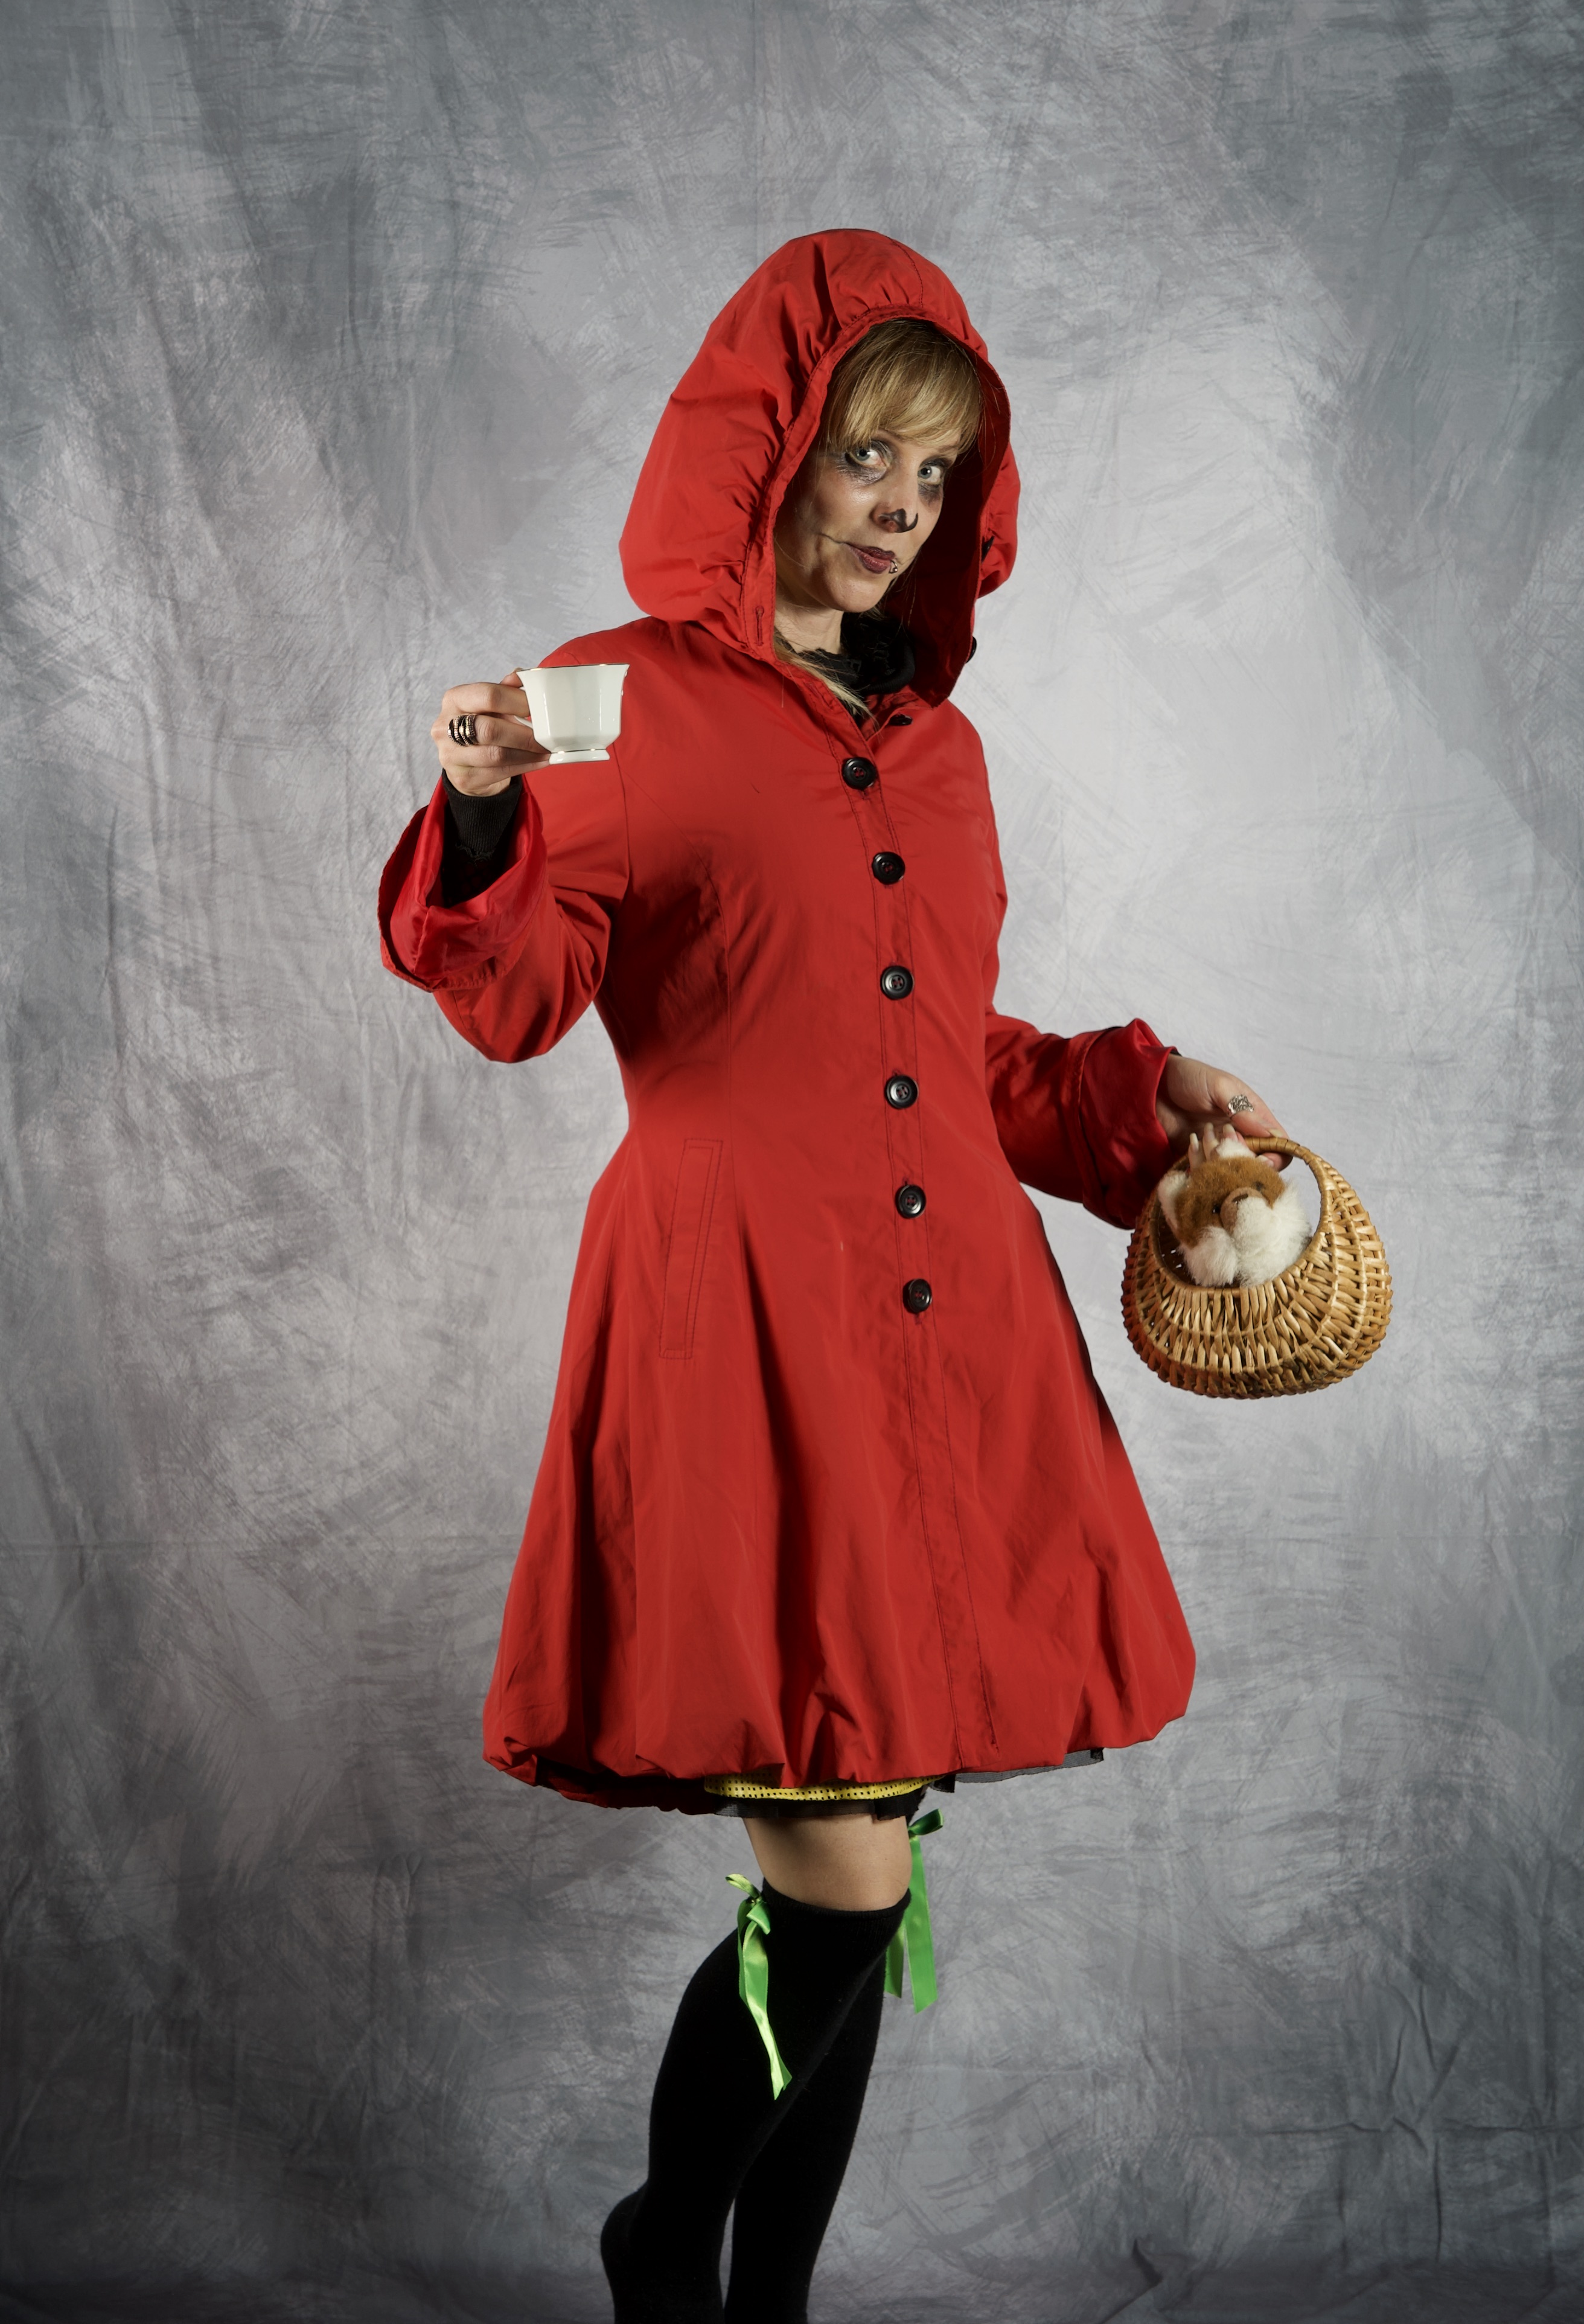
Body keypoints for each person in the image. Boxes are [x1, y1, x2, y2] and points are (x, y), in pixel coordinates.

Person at [378, 229, 1283, 2324]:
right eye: (867, 453)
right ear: (765, 449)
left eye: (937, 474)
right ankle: (662, 2249)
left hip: (946, 1345)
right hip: (741, 1332)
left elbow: (950, 1057)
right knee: (847, 1867)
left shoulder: (939, 748)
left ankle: (751, 2304)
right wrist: (482, 810)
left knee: (861, 1851)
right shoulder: (613, 697)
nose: (899, 506)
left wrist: (1143, 1096)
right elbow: (513, 994)